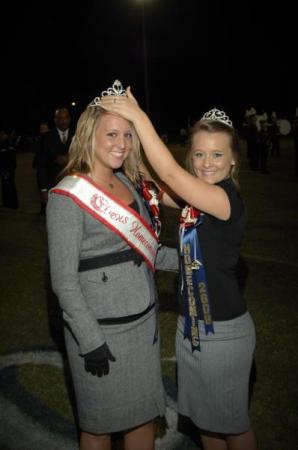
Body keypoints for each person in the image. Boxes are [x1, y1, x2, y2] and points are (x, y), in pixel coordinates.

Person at [100, 92, 257, 450]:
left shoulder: (224, 199)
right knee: (206, 422)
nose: (206, 163)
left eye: (217, 154)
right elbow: (156, 186)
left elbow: (169, 172)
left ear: (233, 161)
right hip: (190, 327)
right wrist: (128, 153)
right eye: (199, 153)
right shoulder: (198, 197)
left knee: (232, 425)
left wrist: (138, 116)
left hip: (223, 332)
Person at [46, 80, 178, 450]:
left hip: (142, 325)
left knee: (142, 420)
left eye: (128, 135)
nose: (122, 143)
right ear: (89, 134)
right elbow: (64, 282)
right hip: (100, 333)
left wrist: (192, 263)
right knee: (98, 427)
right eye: (112, 134)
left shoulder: (128, 182)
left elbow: (146, 250)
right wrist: (90, 342)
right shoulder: (67, 197)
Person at [37, 107, 73, 212]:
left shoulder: (78, 135)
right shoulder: (46, 138)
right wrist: (43, 189)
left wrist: (69, 158)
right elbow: (41, 165)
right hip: (53, 186)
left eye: (66, 118)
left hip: (74, 185)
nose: (63, 121)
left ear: (69, 119)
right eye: (60, 118)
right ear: (55, 120)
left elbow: (86, 156)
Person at [32, 121, 50, 215]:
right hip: (41, 168)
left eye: (45, 128)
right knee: (41, 187)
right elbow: (38, 153)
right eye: (41, 129)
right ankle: (43, 208)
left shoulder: (51, 140)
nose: (43, 131)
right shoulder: (39, 139)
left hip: (49, 168)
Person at [0, 128, 18, 209]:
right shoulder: (3, 144)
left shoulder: (8, 144)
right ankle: (6, 203)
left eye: (3, 134)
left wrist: (9, 169)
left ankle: (13, 204)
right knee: (5, 186)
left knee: (10, 186)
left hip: (8, 169)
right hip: (4, 168)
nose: (1, 136)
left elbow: (11, 158)